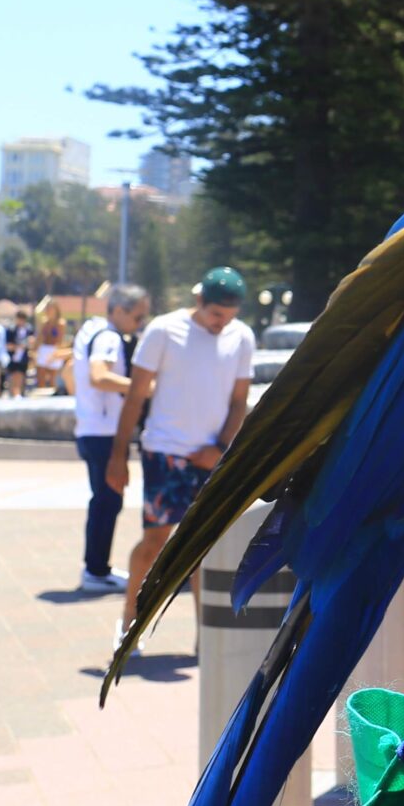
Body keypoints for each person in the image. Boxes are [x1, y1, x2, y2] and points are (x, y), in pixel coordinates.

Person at [105, 268, 256, 635]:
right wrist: (117, 455)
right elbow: (136, 395)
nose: (222, 324)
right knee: (156, 541)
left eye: (230, 316)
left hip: (210, 458)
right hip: (165, 451)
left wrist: (220, 449)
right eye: (217, 314)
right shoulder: (164, 329)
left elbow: (239, 402)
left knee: (205, 548)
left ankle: (206, 637)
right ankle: (131, 619)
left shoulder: (242, 336)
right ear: (199, 300)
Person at [72, 284, 151, 593]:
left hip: (94, 428)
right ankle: (95, 570)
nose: (140, 324)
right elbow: (99, 376)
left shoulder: (93, 331)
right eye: (137, 316)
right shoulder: (107, 337)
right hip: (102, 431)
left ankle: (97, 567)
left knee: (105, 500)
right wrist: (141, 387)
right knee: (107, 500)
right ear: (118, 310)